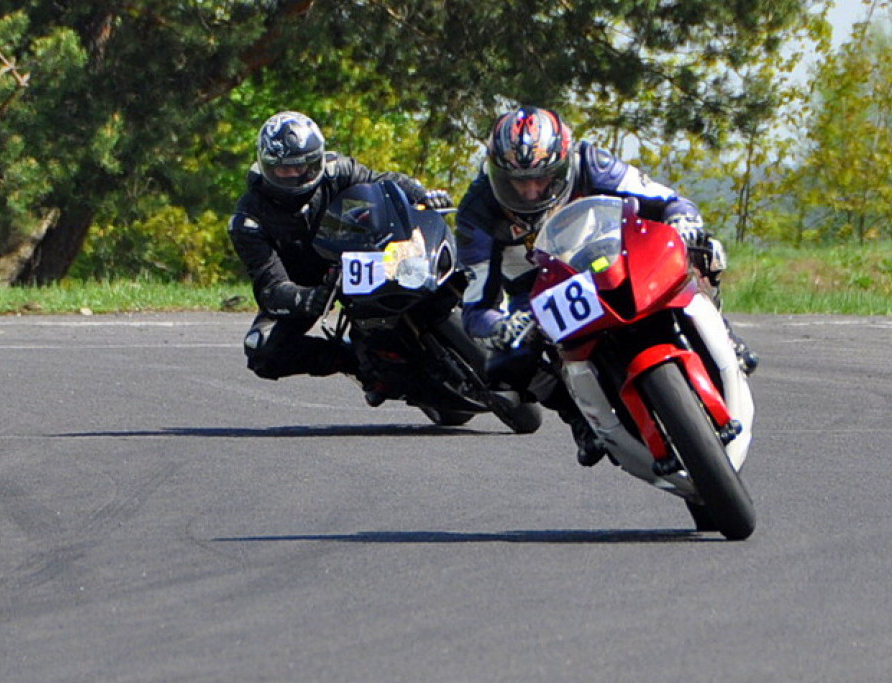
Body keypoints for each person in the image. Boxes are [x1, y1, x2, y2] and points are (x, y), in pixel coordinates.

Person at [455, 105, 758, 467]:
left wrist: (682, 219)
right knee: (506, 363)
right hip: (537, 290)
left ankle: (721, 331)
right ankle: (578, 417)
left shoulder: (591, 162)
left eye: (543, 178)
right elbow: (476, 307)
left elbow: (667, 200)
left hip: (607, 253)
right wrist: (500, 327)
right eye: (518, 182)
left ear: (564, 163)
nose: (532, 192)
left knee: (699, 247)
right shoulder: (477, 209)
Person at [227, 111, 452, 388]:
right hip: (305, 283)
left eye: (302, 167)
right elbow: (269, 287)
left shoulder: (336, 170)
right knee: (262, 349)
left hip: (356, 254)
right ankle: (352, 361)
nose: (294, 175)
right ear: (265, 166)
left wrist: (422, 195)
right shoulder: (248, 219)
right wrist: (306, 298)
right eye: (282, 169)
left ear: (317, 160)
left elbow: (384, 182)